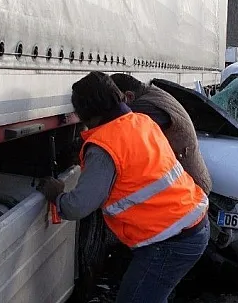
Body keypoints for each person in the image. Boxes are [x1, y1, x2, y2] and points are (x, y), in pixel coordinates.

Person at [36, 71, 209, 303]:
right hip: (191, 226)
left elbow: (78, 207)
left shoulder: (103, 146)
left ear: (85, 112)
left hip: (169, 242)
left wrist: (57, 194)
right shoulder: (141, 121)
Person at [110, 73, 212, 194]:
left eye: (115, 102)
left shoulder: (146, 107)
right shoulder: (153, 94)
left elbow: (122, 136)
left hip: (191, 189)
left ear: (129, 96)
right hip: (191, 183)